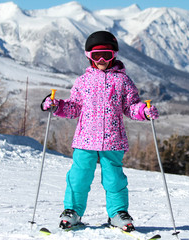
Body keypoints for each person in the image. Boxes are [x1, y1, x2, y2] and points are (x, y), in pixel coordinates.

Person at [41, 30, 159, 232]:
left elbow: (130, 107)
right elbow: (74, 107)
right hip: (85, 139)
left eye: (107, 54)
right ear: (89, 57)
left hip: (113, 140)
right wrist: (56, 106)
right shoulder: (82, 82)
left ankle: (117, 213)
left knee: (114, 178)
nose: (102, 59)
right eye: (97, 55)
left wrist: (143, 111)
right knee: (79, 177)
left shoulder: (123, 81)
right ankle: (72, 211)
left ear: (115, 55)